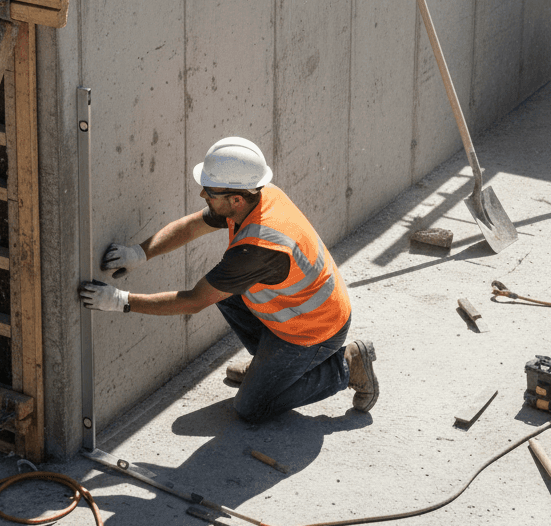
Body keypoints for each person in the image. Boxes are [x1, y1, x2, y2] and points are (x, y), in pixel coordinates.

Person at [79, 137, 379, 422]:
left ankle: (346, 367)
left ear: (235, 199)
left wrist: (121, 301)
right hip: (297, 311)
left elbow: (194, 302)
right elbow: (194, 225)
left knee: (252, 407)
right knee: (225, 293)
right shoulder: (259, 194)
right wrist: (138, 253)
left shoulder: (259, 248)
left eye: (209, 191)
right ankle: (269, 367)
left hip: (314, 331)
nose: (202, 195)